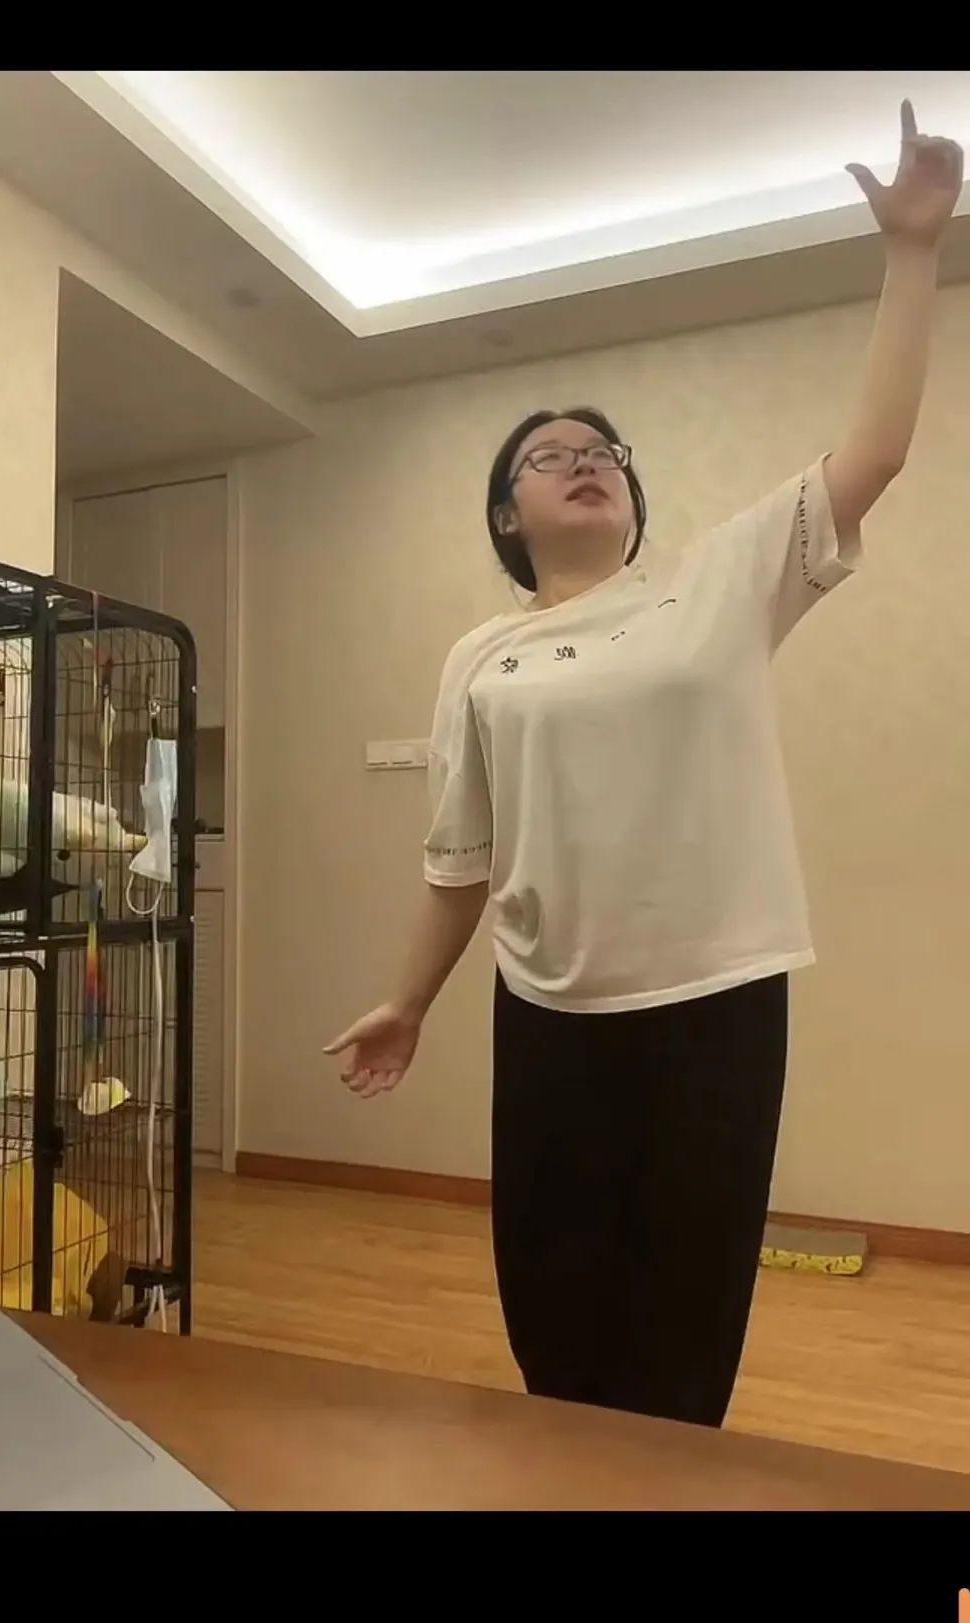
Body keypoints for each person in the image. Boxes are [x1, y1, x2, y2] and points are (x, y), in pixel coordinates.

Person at [325, 103, 963, 1427]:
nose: (585, 463)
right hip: (546, 1003)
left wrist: (913, 251)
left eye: (602, 452)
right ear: (508, 513)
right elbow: (459, 863)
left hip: (713, 1001)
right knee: (553, 1305)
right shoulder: (479, 656)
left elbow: (878, 452)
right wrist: (406, 1003)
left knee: (686, 1314)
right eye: (548, 456)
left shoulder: (719, 582)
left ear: (629, 493)